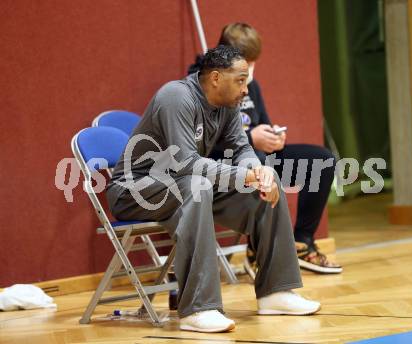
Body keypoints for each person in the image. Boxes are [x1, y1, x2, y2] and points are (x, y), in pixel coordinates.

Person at [106, 45, 320, 333]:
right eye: (241, 80)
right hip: (136, 188)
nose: (246, 88)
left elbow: (242, 148)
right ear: (216, 78)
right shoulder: (176, 96)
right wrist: (245, 176)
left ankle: (276, 292)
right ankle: (198, 309)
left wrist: (259, 171)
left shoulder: (227, 105)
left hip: (183, 185)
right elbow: (185, 164)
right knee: (197, 186)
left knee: (268, 187)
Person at [188, 23, 342, 275]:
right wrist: (251, 138)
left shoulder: (252, 86)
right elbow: (200, 143)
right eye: (246, 63)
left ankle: (301, 241)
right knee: (259, 163)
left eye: (252, 63)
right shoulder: (202, 87)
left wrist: (272, 136)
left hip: (258, 157)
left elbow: (262, 124)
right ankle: (258, 247)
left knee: (321, 161)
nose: (250, 70)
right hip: (223, 164)